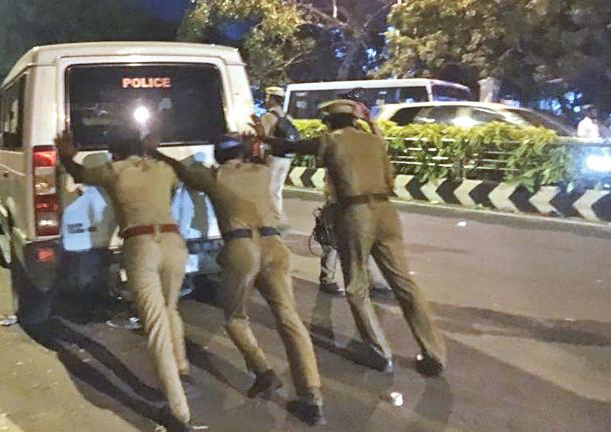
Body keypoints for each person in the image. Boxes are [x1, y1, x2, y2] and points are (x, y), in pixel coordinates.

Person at [257, 100, 447, 377]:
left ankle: (379, 352)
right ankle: (435, 354)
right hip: (386, 212)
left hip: (356, 215)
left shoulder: (331, 140)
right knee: (404, 284)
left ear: (330, 122)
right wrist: (372, 123)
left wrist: (264, 138)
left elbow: (290, 147)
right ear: (354, 120)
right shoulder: (372, 141)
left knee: (357, 286)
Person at [151, 136, 327, 426]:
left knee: (235, 317)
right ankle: (312, 396)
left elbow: (182, 172)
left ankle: (263, 371)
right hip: (275, 246)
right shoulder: (263, 171)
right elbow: (274, 153)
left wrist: (156, 151)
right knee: (289, 319)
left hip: (241, 247)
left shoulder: (215, 176)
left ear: (219, 158)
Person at [55, 128, 193, 432]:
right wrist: (153, 153)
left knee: (155, 324)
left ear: (114, 153)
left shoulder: (112, 171)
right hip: (174, 242)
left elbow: (78, 173)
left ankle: (179, 412)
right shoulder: (162, 168)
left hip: (141, 244)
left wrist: (66, 155)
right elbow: (180, 179)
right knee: (171, 308)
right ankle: (181, 364)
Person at [260, 87, 297, 227]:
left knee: (268, 189)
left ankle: (272, 220)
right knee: (278, 190)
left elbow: (262, 138)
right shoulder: (287, 117)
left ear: (272, 98)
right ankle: (278, 217)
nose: (266, 100)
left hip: (273, 157)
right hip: (287, 157)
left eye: (268, 97)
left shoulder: (268, 116)